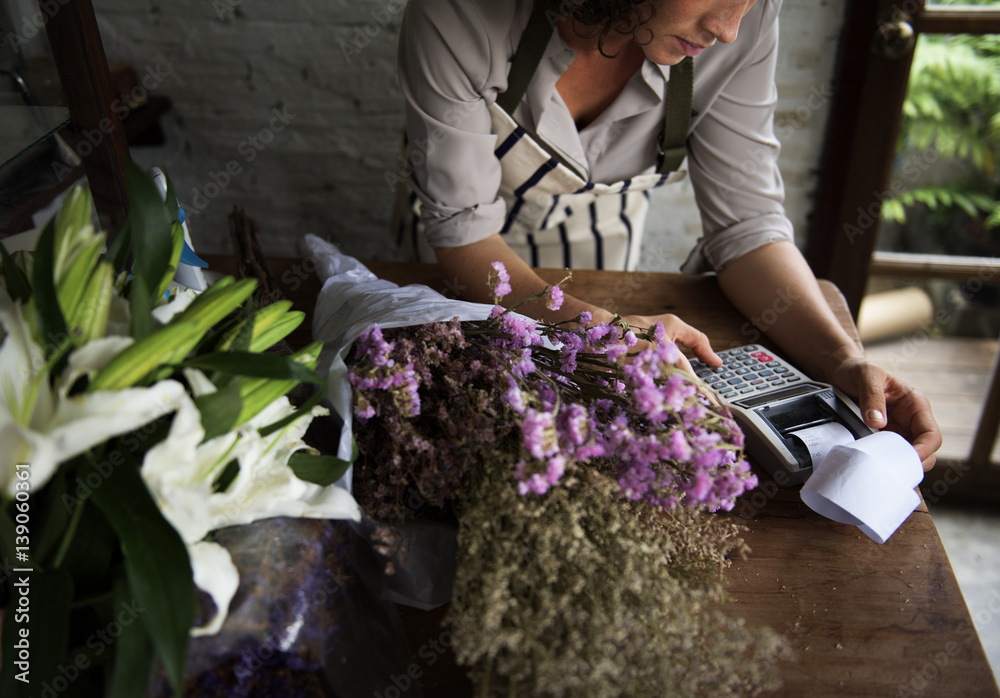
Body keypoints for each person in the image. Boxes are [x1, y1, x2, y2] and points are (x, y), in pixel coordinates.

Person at [393, 0, 942, 470]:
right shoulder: (460, 14)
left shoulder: (741, 24)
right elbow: (463, 233)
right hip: (468, 268)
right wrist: (603, 332)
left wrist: (842, 360)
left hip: (605, 252)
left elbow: (747, 226)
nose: (728, 29)